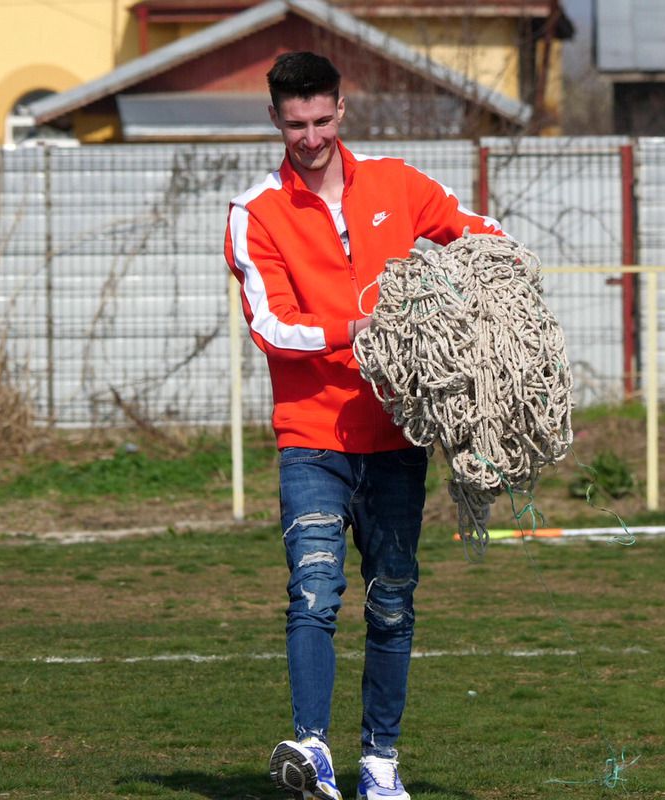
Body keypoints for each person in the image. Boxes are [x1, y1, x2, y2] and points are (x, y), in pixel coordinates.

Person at [224, 51, 505, 800]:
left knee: (392, 600)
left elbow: (475, 231)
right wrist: (359, 328)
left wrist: (495, 271)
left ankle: (380, 762)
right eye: (296, 125)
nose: (311, 137)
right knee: (314, 592)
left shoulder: (396, 182)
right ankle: (312, 751)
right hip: (312, 440)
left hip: (396, 439)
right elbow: (272, 327)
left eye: (322, 120)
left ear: (341, 109)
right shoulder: (254, 212)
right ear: (275, 119)